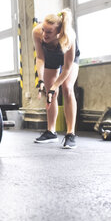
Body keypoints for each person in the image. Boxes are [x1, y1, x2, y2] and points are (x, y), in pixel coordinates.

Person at [33, 8, 80, 149]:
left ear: (58, 32)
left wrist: (56, 86)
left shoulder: (69, 37)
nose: (44, 34)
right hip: (50, 56)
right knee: (50, 93)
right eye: (43, 30)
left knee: (67, 88)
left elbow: (66, 69)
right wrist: (40, 80)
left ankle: (70, 133)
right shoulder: (37, 32)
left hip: (68, 58)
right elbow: (40, 58)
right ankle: (51, 132)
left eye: (49, 32)